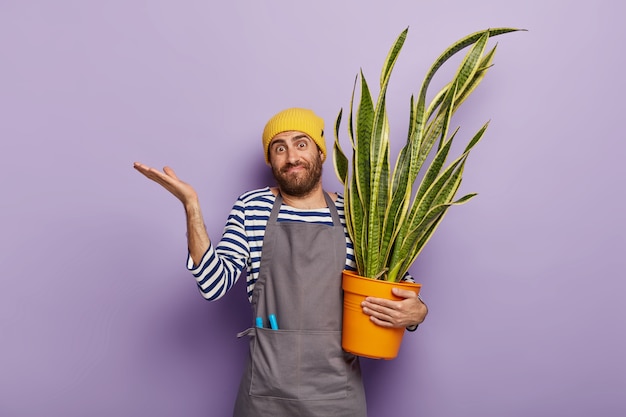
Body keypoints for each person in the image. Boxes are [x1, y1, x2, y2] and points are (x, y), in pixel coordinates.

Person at [134, 107, 428, 416]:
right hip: (265, 398)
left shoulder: (355, 216)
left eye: (301, 144)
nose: (291, 157)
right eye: (279, 148)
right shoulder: (252, 207)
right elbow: (212, 284)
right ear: (271, 160)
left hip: (337, 399)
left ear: (320, 152)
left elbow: (398, 285)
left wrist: (417, 310)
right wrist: (191, 206)